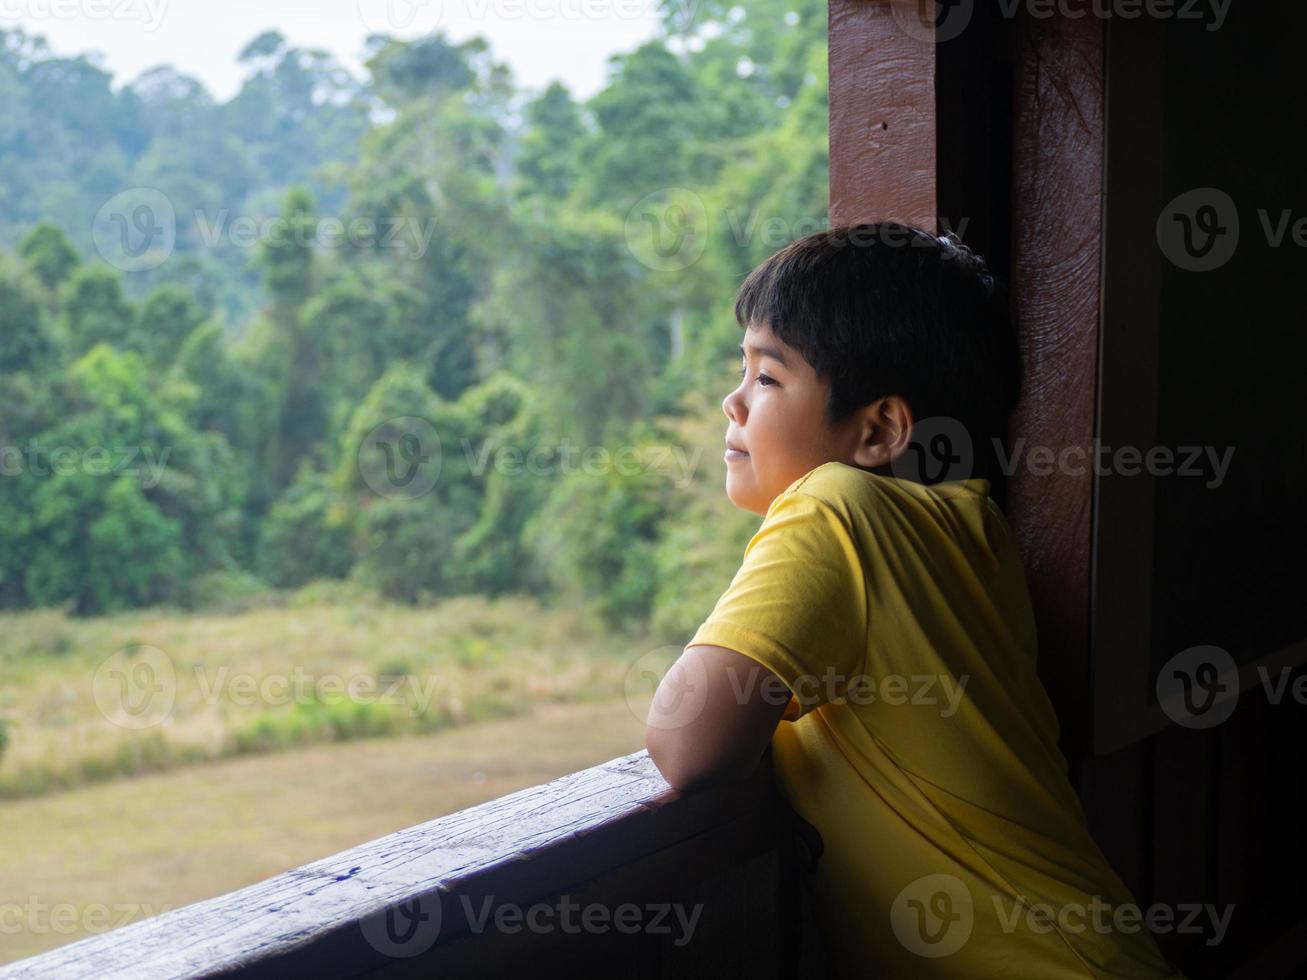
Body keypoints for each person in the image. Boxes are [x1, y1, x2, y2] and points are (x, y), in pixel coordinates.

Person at [644, 223, 1185, 978]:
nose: (732, 403)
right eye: (742, 371)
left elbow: (686, 744)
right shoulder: (973, 532)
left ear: (878, 430)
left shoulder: (834, 507)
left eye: (766, 378)